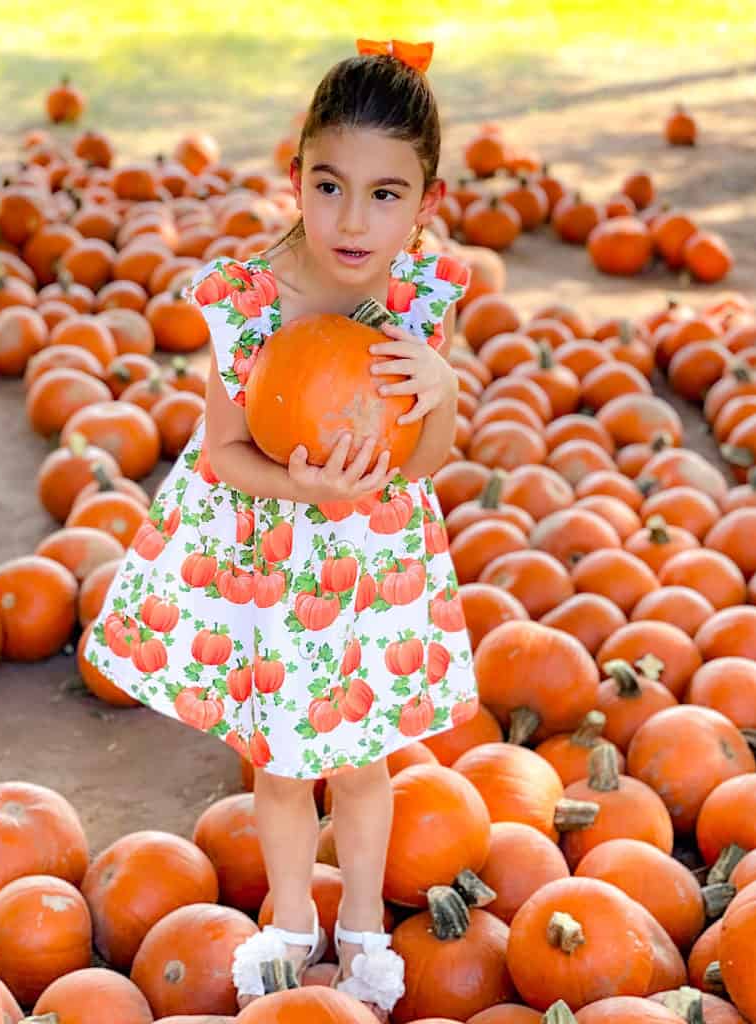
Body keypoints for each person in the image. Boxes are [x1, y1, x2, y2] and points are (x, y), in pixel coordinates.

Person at [83, 35, 479, 1021]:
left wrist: (444, 394)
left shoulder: (421, 299)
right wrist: (301, 489)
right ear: (294, 174)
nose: (353, 219)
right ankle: (294, 921)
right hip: (273, 555)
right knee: (283, 760)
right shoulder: (250, 296)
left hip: (374, 562)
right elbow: (221, 451)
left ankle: (363, 932)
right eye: (329, 184)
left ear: (426, 205)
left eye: (386, 195)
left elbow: (424, 468)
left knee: (365, 758)